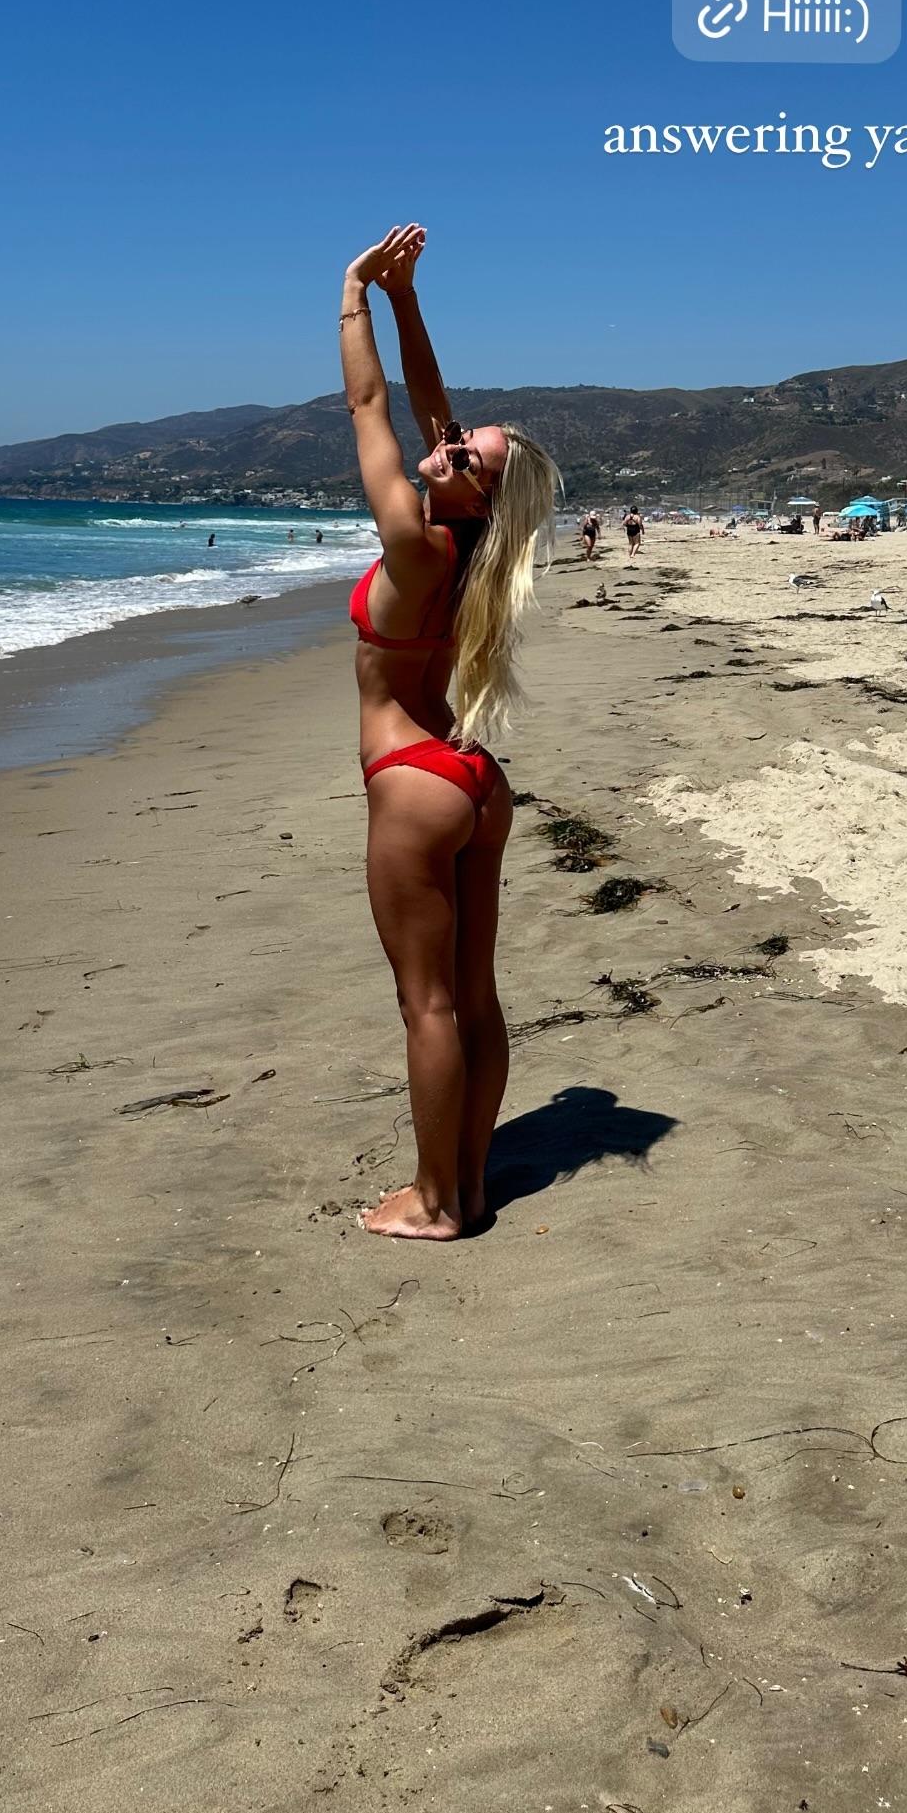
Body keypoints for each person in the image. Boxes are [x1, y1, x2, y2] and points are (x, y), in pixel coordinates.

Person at [339, 223, 559, 1241]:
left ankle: (437, 1204)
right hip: (474, 777)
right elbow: (429, 410)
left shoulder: (417, 542)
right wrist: (408, 299)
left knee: (427, 1005)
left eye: (465, 452)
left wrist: (351, 297)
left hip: (416, 782)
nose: (449, 441)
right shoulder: (474, 541)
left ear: (475, 487)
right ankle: (468, 1181)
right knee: (473, 993)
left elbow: (372, 404)